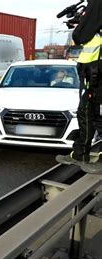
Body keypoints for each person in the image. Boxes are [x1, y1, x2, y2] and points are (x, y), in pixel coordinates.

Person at [56, 0, 102, 173]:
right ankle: (80, 153)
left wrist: (81, 23)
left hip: (97, 71)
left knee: (96, 115)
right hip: (92, 72)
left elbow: (80, 36)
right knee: (86, 112)